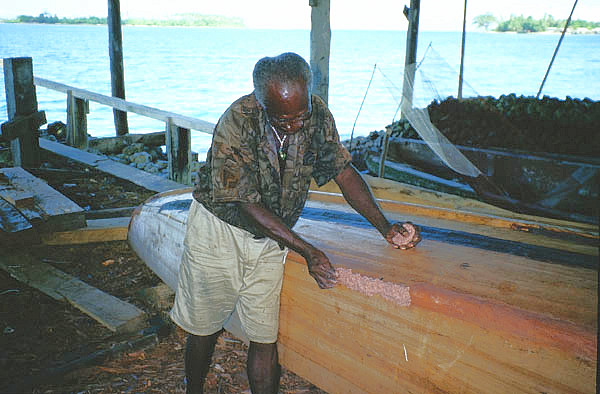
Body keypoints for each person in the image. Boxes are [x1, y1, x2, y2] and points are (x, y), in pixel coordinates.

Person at [170, 52, 421, 394]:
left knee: (264, 335)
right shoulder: (237, 122)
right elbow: (247, 205)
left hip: (273, 237)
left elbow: (343, 172)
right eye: (282, 120)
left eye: (300, 115)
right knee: (204, 327)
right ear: (261, 103)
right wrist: (308, 251)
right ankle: (193, 389)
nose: (295, 126)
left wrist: (385, 226)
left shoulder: (315, 114)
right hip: (220, 231)